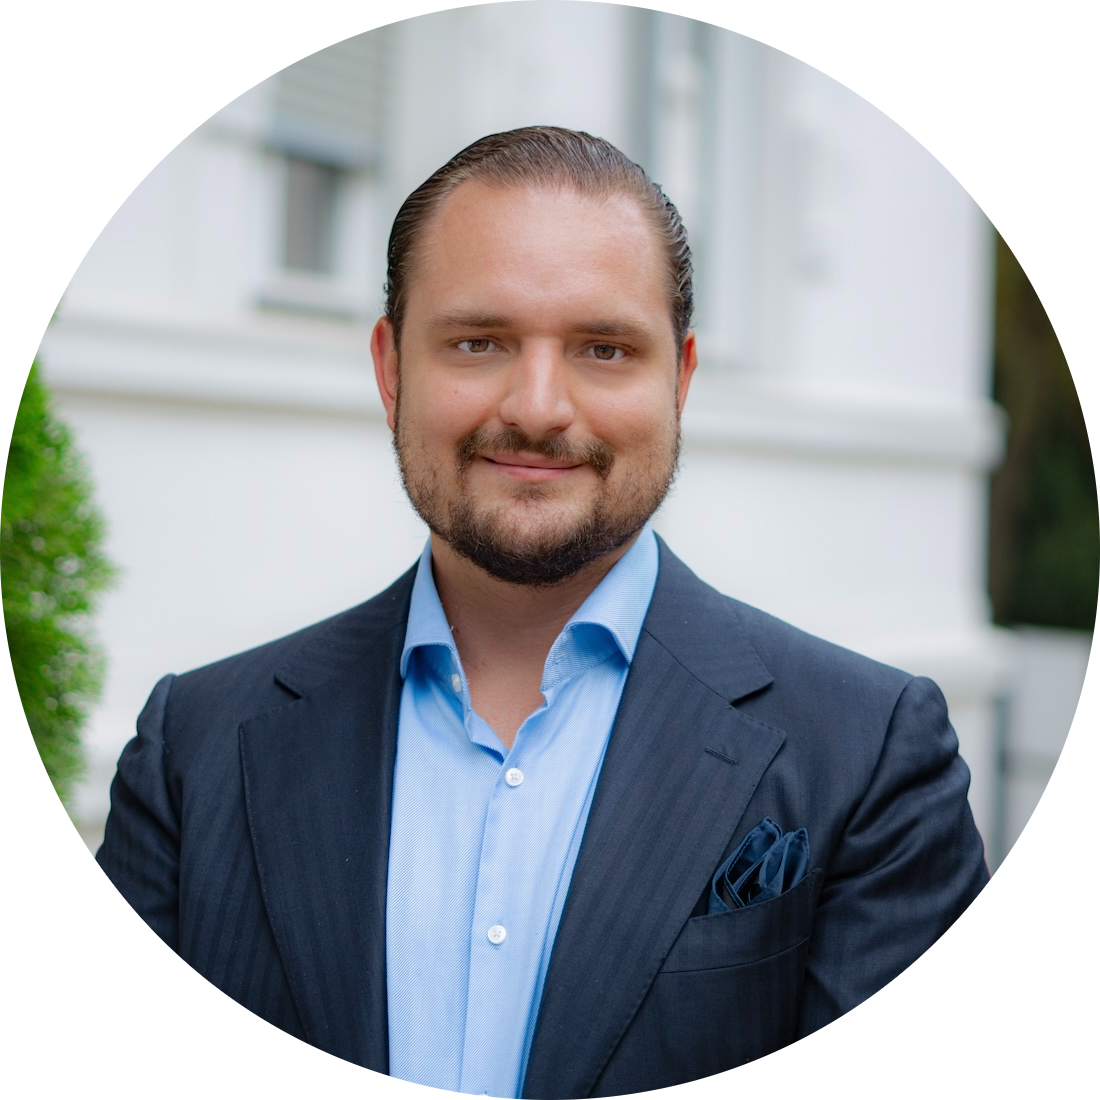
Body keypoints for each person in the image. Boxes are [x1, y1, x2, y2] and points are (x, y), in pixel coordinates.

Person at [96, 126, 989, 1096]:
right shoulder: (193, 747)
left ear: (680, 380)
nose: (536, 406)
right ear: (391, 370)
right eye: (478, 342)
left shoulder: (868, 755)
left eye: (604, 349)